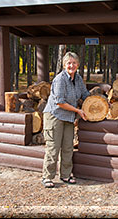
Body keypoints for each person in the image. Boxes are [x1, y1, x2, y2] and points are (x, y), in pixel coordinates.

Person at [41, 51, 90, 188]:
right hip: (54, 116)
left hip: (68, 117)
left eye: (74, 63)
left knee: (68, 147)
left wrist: (98, 102)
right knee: (53, 147)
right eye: (69, 63)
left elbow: (85, 94)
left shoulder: (78, 79)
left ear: (78, 64)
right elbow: (60, 102)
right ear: (64, 65)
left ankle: (65, 175)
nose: (71, 65)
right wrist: (78, 111)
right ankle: (47, 177)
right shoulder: (60, 79)